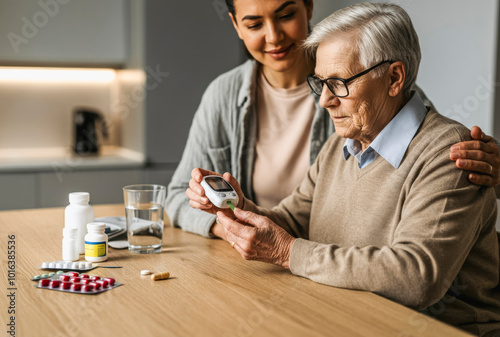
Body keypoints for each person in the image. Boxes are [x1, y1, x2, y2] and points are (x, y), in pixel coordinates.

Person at [187, 3, 500, 337]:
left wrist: (288, 253)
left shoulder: (452, 154)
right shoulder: (344, 144)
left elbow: (416, 277)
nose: (324, 101)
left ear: (394, 78)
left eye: (337, 83)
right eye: (320, 83)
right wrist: (239, 207)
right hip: (350, 322)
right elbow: (291, 220)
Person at [167, 0, 500, 239]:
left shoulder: (379, 92)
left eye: (286, 15)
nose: (273, 36)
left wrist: (490, 166)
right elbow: (179, 195)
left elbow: (425, 137)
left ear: (308, 7)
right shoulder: (223, 94)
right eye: (254, 24)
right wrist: (233, 221)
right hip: (294, 257)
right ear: (236, 26)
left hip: (318, 262)